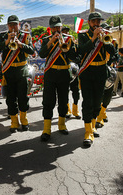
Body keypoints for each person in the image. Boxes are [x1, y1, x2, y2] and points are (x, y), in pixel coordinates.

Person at [78, 12, 116, 147]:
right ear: (89, 22)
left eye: (98, 21)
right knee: (87, 101)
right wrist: (93, 38)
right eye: (94, 21)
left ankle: (93, 126)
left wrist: (105, 40)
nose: (97, 24)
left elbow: (113, 53)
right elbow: (81, 51)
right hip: (87, 73)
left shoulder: (105, 34)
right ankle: (88, 132)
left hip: (101, 72)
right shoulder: (83, 35)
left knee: (97, 102)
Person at [38, 16, 77, 141]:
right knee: (48, 101)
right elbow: (42, 54)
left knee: (63, 100)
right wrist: (50, 42)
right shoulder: (46, 40)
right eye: (54, 27)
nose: (56, 29)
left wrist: (69, 47)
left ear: (61, 27)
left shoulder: (69, 40)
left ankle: (61, 125)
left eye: (58, 27)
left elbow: (73, 57)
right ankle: (46, 129)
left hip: (64, 73)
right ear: (50, 28)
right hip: (51, 72)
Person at [0, 15, 34, 133]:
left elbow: (31, 50)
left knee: (23, 97)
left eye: (15, 24)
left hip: (22, 70)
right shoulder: (3, 36)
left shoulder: (25, 35)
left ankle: (24, 120)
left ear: (19, 24)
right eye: (10, 24)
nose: (13, 27)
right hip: (9, 71)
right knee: (10, 99)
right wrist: (7, 41)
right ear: (8, 25)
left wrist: (20, 44)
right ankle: (14, 122)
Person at [61, 26, 81, 120]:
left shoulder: (72, 41)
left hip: (74, 70)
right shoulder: (60, 42)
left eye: (67, 32)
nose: (66, 33)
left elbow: (77, 54)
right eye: (64, 32)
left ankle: (75, 110)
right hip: (65, 70)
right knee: (65, 92)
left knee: (76, 91)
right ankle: (67, 110)